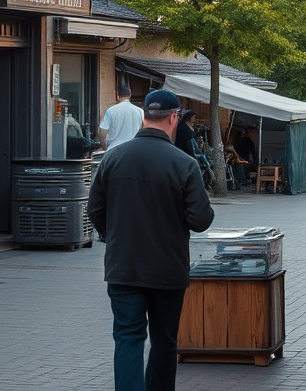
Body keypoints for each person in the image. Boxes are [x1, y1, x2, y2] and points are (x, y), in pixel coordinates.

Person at [88, 89, 215, 391]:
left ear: (145, 117)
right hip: (167, 270)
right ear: (173, 118)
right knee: (164, 342)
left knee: (128, 338)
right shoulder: (184, 163)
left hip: (124, 267)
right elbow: (201, 220)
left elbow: (94, 210)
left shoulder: (113, 158)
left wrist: (115, 236)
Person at [97, 81, 144, 150]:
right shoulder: (140, 111)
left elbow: (102, 132)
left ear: (117, 96)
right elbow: (144, 129)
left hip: (114, 149)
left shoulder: (111, 111)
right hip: (134, 149)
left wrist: (103, 146)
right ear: (130, 95)